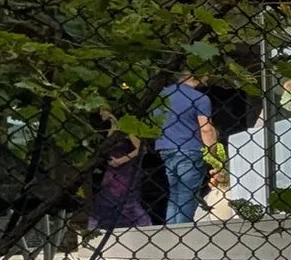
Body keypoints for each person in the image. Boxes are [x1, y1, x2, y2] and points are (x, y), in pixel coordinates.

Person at [155, 72, 216, 225]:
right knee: (187, 196)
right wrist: (213, 156)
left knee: (174, 195)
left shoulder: (161, 97)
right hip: (190, 149)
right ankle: (182, 233)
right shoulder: (199, 99)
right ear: (193, 76)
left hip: (166, 148)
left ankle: (171, 231)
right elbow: (206, 129)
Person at [88, 113, 151, 230]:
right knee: (105, 199)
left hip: (124, 171)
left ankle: (144, 225)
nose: (101, 113)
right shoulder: (109, 130)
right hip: (111, 172)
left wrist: (121, 160)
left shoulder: (126, 129)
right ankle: (99, 227)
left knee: (127, 200)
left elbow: (141, 148)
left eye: (103, 110)